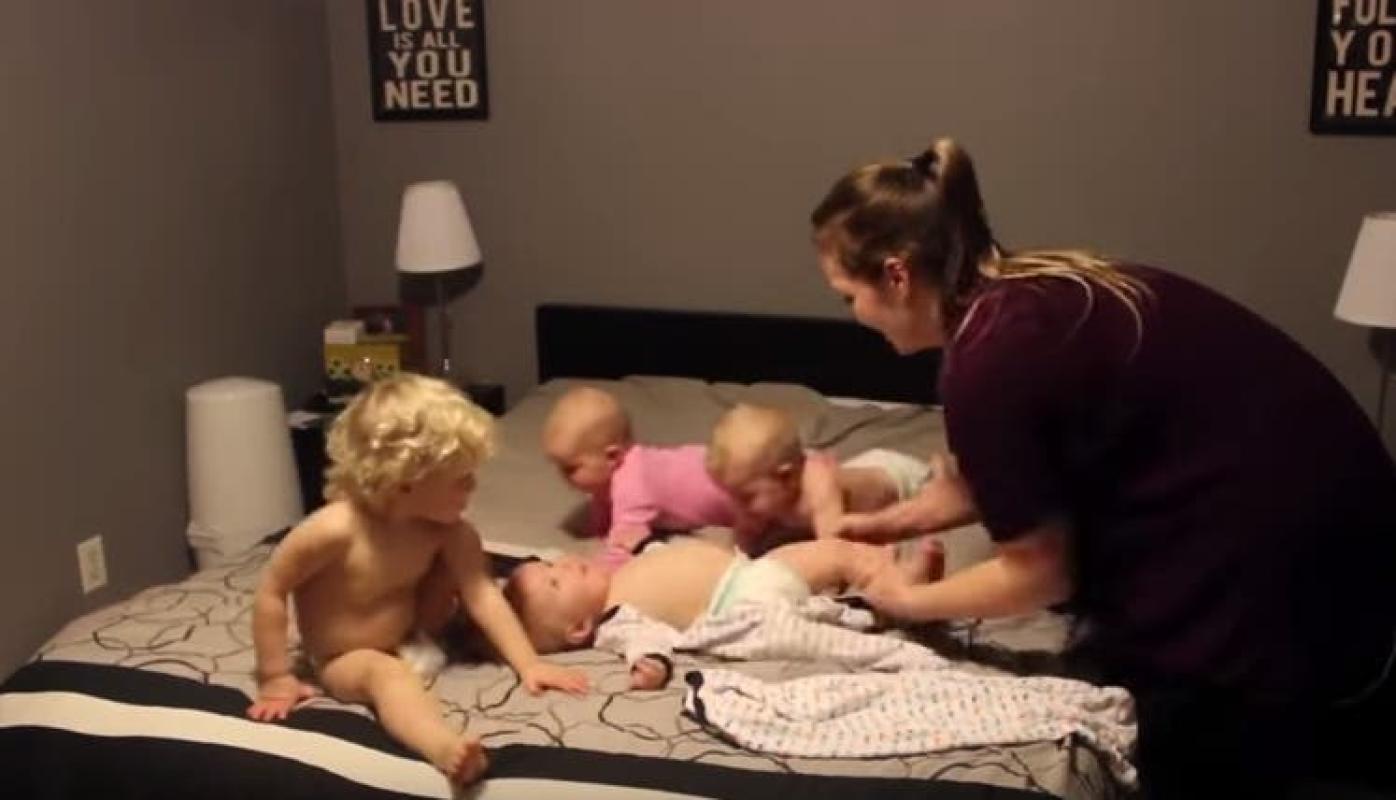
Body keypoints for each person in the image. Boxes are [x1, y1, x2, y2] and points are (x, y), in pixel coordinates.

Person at [806, 137, 1396, 796]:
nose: (853, 317)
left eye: (847, 296)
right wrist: (897, 522)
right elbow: (1034, 459)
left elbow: (1039, 574)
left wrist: (907, 600)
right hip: (1343, 500)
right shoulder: (1029, 293)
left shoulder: (990, 359)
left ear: (896, 275)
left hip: (1282, 553)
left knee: (1183, 744)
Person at [247, 374, 588, 785]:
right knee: (387, 676)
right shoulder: (335, 530)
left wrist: (529, 663)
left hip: (413, 634)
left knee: (466, 568)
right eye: (461, 479)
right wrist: (275, 677)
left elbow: (481, 592)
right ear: (406, 482)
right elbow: (272, 590)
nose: (474, 486)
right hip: (344, 657)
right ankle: (443, 748)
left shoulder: (449, 531)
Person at [501, 536, 937, 689]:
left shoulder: (620, 575)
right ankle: (902, 589)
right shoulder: (616, 617)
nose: (564, 565)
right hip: (744, 601)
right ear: (579, 628)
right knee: (836, 559)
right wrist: (650, 665)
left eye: (551, 565)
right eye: (555, 582)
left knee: (834, 583)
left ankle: (893, 591)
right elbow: (645, 640)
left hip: (749, 577)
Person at [541, 385, 758, 567]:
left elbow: (625, 545)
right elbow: (602, 514)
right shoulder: (612, 476)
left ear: (612, 456)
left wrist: (601, 570)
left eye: (571, 469)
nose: (563, 478)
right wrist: (600, 531)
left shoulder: (632, 485)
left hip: (733, 485)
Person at [706, 403, 939, 559]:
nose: (737, 506)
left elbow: (832, 550)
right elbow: (743, 539)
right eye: (731, 495)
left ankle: (937, 469)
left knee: (936, 493)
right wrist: (734, 560)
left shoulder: (819, 489)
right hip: (857, 466)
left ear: (786, 476)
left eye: (746, 497)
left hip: (897, 477)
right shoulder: (762, 497)